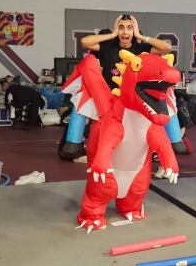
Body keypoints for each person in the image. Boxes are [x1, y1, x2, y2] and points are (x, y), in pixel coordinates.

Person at [60, 16, 172, 159]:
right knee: (102, 139)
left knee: (132, 142)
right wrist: (112, 34)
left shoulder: (141, 48)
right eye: (121, 27)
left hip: (132, 103)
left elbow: (166, 48)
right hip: (108, 102)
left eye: (129, 28)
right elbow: (84, 42)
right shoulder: (108, 47)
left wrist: (140, 36)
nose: (125, 32)